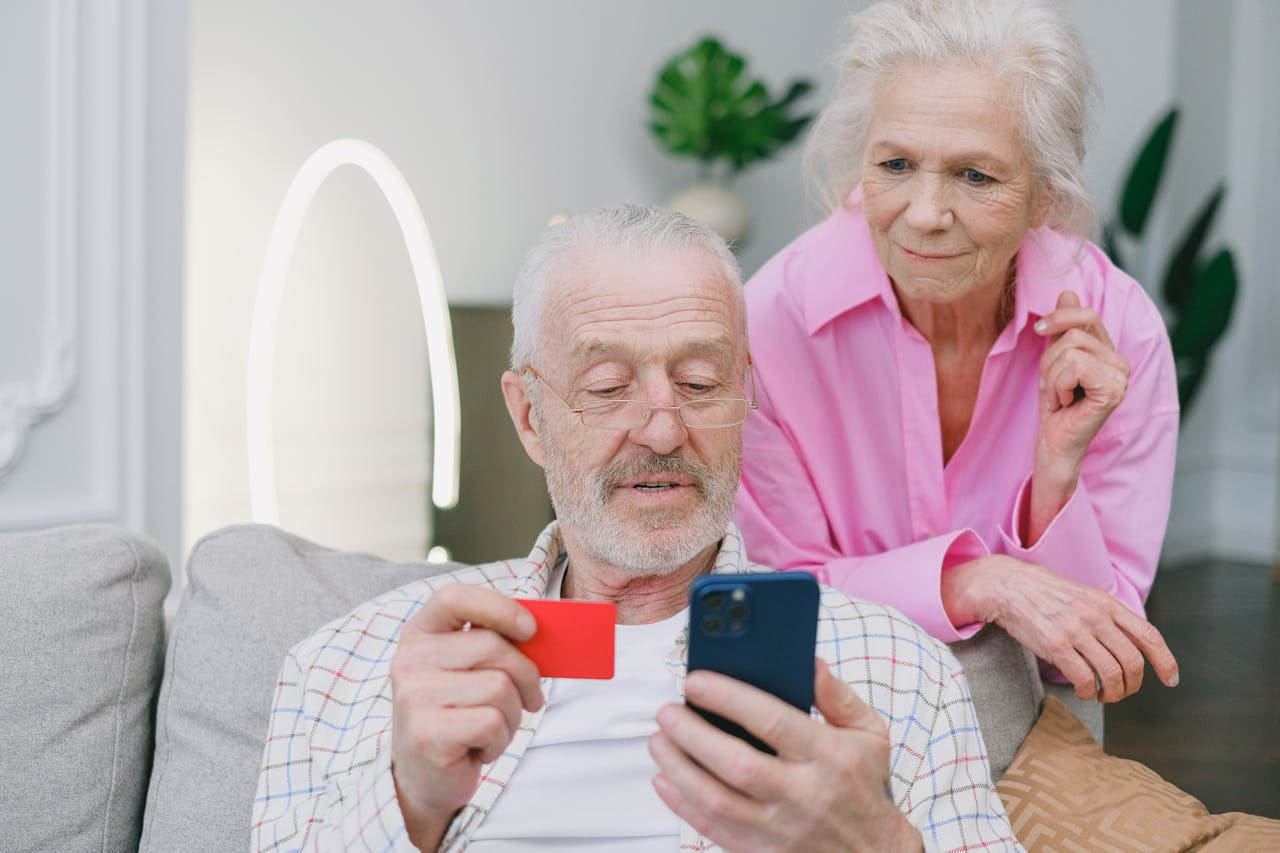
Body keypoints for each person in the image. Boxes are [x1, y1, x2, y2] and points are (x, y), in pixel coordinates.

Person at [251, 204, 1020, 851]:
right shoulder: (346, 665)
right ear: (529, 416)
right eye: (608, 385)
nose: (661, 428)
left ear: (746, 395)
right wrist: (409, 800)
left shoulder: (900, 671)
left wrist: (882, 845)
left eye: (699, 382)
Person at [733, 0, 1180, 722]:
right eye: (895, 164)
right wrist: (978, 582)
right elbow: (774, 604)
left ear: (1045, 192)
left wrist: (1055, 479)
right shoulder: (768, 326)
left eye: (976, 175)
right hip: (828, 710)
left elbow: (1092, 657)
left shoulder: (1120, 329)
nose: (925, 214)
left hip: (1039, 715)